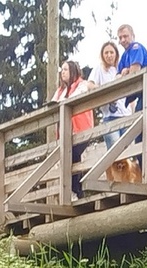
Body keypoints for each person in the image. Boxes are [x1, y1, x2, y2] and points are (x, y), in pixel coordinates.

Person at [116, 23, 147, 179]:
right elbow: (117, 77)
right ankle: (146, 173)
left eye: (125, 36)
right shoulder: (124, 56)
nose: (123, 40)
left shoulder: (136, 47)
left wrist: (126, 72)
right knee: (139, 136)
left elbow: (135, 71)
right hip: (141, 97)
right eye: (120, 38)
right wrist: (124, 72)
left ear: (133, 36)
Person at [52, 60, 94, 198]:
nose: (62, 72)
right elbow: (53, 104)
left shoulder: (82, 84)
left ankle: (76, 191)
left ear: (72, 71)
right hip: (66, 132)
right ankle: (76, 191)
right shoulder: (61, 90)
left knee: (73, 155)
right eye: (62, 70)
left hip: (81, 128)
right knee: (70, 158)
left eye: (65, 69)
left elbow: (83, 93)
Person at [92, 40, 128, 150]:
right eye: (106, 53)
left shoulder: (121, 68)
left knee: (128, 151)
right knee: (114, 150)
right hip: (110, 116)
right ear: (102, 55)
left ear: (116, 54)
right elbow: (90, 85)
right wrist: (107, 95)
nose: (109, 55)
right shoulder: (99, 69)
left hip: (126, 115)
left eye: (111, 52)